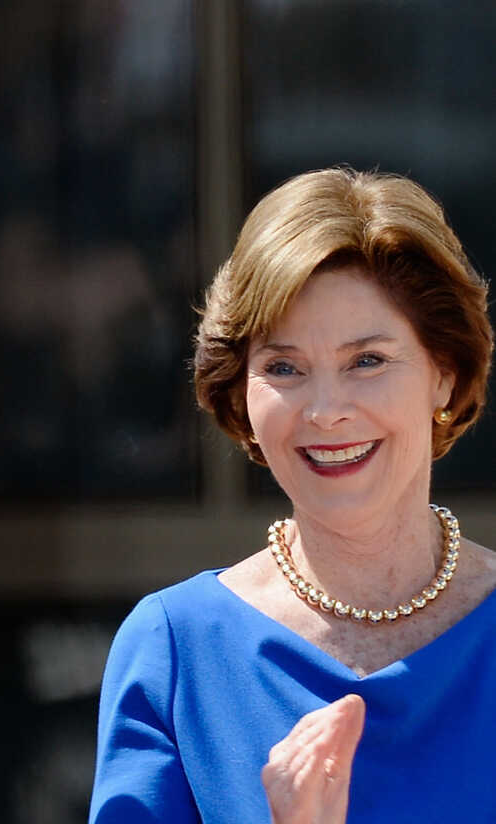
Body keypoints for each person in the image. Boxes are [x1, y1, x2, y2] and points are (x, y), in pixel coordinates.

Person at [89, 167, 496, 822]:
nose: (326, 410)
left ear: (444, 376)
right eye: (284, 368)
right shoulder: (175, 652)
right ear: (241, 395)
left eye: (367, 360)